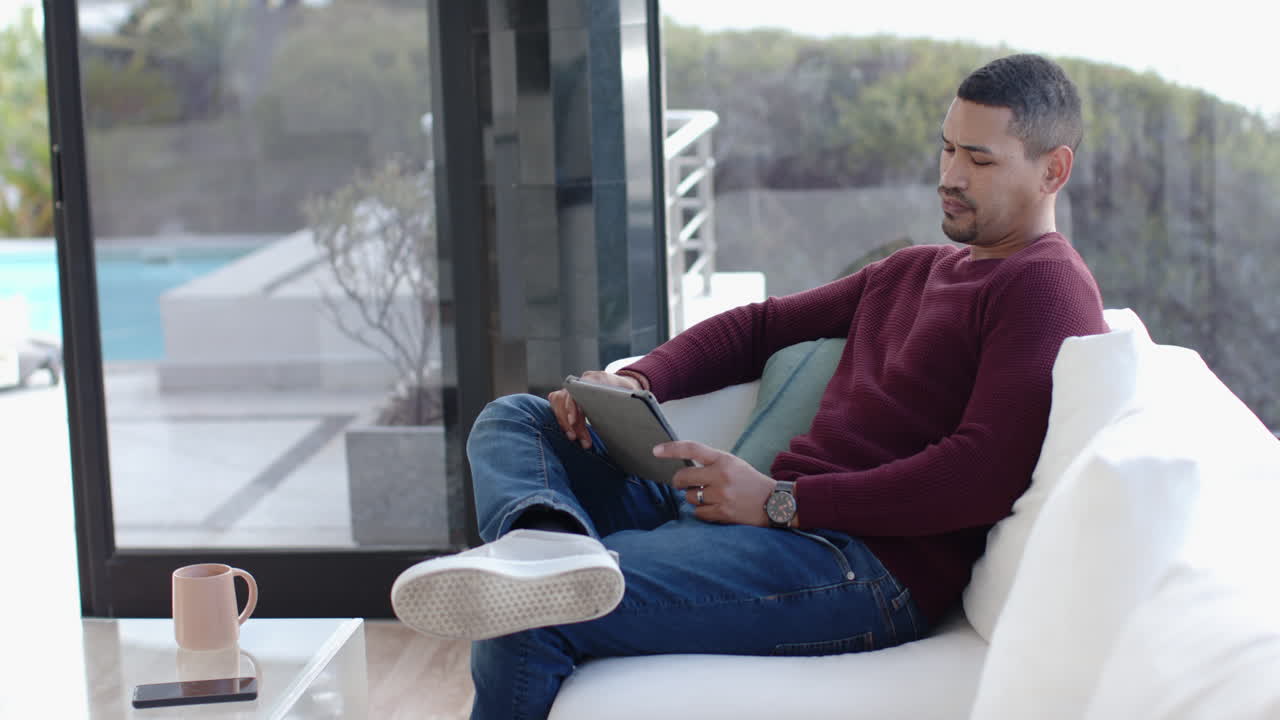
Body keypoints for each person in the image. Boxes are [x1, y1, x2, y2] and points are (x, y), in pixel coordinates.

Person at [391, 53, 1107, 719]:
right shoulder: (915, 269)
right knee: (519, 420)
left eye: (979, 159)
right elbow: (759, 328)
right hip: (769, 519)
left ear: (1053, 171)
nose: (950, 175)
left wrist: (784, 501)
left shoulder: (1041, 283)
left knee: (532, 615)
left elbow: (978, 474)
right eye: (948, 148)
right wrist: (637, 379)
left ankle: (547, 573)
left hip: (860, 567)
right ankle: (544, 542)